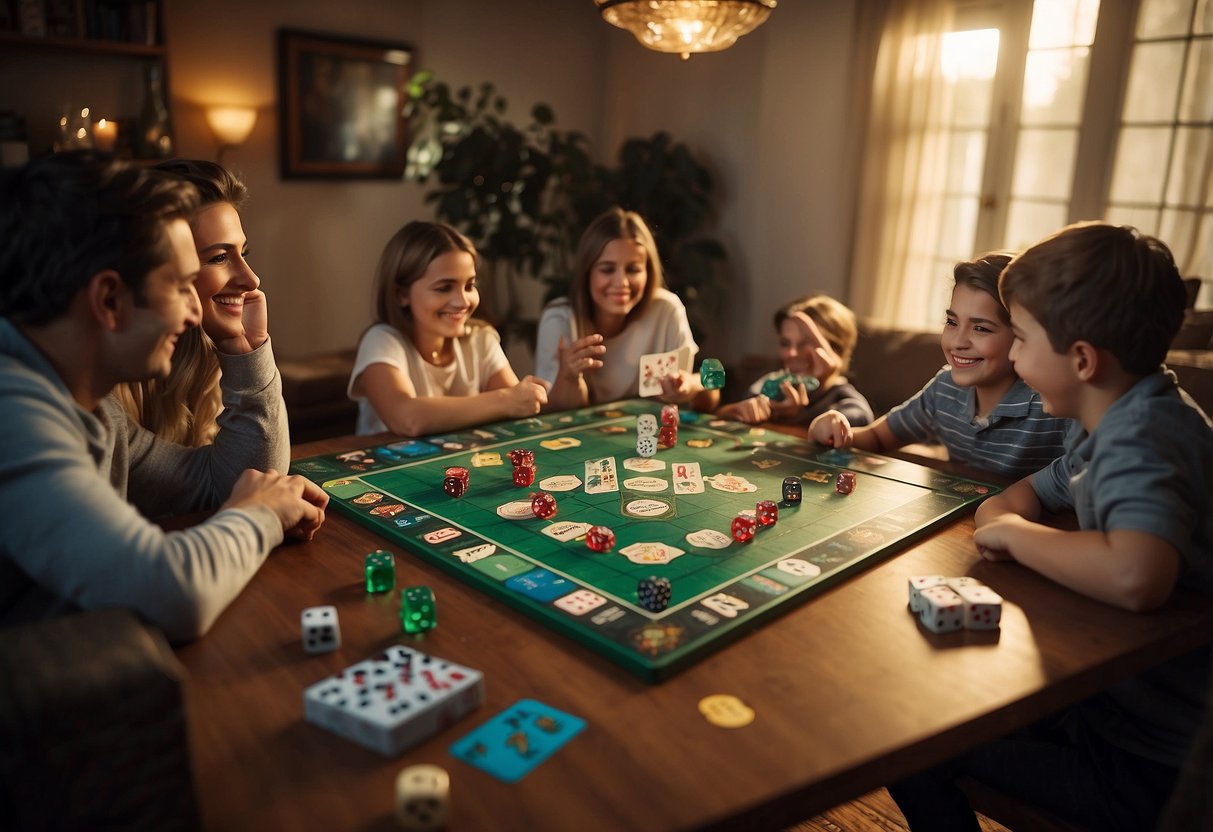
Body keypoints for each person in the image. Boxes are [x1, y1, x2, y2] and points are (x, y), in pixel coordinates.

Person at [888, 223, 1213, 831]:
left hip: (1157, 762)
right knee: (927, 712)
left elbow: (1137, 576)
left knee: (906, 745)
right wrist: (1006, 517)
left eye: (1023, 339)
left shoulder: (1142, 438)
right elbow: (1019, 496)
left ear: (1083, 360)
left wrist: (1015, 534)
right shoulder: (1114, 420)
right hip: (1109, 709)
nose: (1011, 355)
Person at [0, 152, 328, 642]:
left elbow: (216, 484)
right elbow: (171, 591)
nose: (195, 310)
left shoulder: (91, 406)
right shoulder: (15, 414)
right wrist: (258, 513)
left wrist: (243, 352)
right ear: (108, 300)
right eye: (178, 285)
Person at [808, 253, 1074, 479]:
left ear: (1022, 335)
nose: (958, 342)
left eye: (981, 328)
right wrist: (835, 429)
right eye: (952, 322)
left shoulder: (1054, 406)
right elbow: (877, 438)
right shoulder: (945, 389)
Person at [347, 220, 548, 436]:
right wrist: (506, 400)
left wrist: (521, 400)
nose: (462, 301)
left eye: (469, 286)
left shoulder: (480, 338)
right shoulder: (381, 340)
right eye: (444, 288)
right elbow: (407, 419)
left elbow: (517, 410)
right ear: (401, 295)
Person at [114, 159, 263, 446]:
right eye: (219, 257)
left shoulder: (208, 356)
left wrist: (248, 353)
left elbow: (251, 469)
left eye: (244, 253)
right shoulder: (104, 395)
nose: (252, 280)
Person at [534, 206, 719, 412]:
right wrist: (568, 376)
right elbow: (555, 415)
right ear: (587, 272)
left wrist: (691, 386)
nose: (621, 282)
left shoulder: (667, 309)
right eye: (607, 269)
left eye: (633, 269)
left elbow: (710, 396)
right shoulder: (559, 319)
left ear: (648, 272)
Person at [716, 294, 873, 426]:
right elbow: (723, 415)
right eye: (785, 343)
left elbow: (861, 421)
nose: (791, 353)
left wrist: (794, 420)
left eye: (806, 343)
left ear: (837, 351)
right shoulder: (772, 385)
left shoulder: (846, 402)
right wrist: (740, 411)